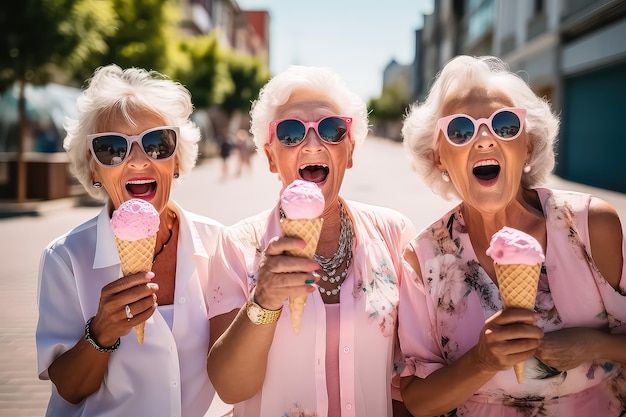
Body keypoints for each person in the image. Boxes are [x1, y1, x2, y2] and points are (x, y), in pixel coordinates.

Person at [398, 55, 626, 416]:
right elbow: (418, 401)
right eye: (461, 130)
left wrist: (595, 344)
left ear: (528, 146)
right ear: (439, 156)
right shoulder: (423, 258)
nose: (485, 139)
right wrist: (481, 360)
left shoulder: (590, 225)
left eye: (505, 125)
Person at [206, 65, 416, 416]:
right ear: (271, 157)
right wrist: (265, 301)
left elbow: (407, 381)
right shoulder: (237, 244)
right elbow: (230, 388)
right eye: (290, 133)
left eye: (332, 130)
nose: (313, 143)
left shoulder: (394, 234)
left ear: (349, 152)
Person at [35, 65, 230, 417]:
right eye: (112, 147)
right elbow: (69, 389)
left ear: (177, 161)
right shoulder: (65, 257)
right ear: (93, 168)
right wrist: (102, 331)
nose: (138, 160)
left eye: (157, 143)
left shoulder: (218, 243)